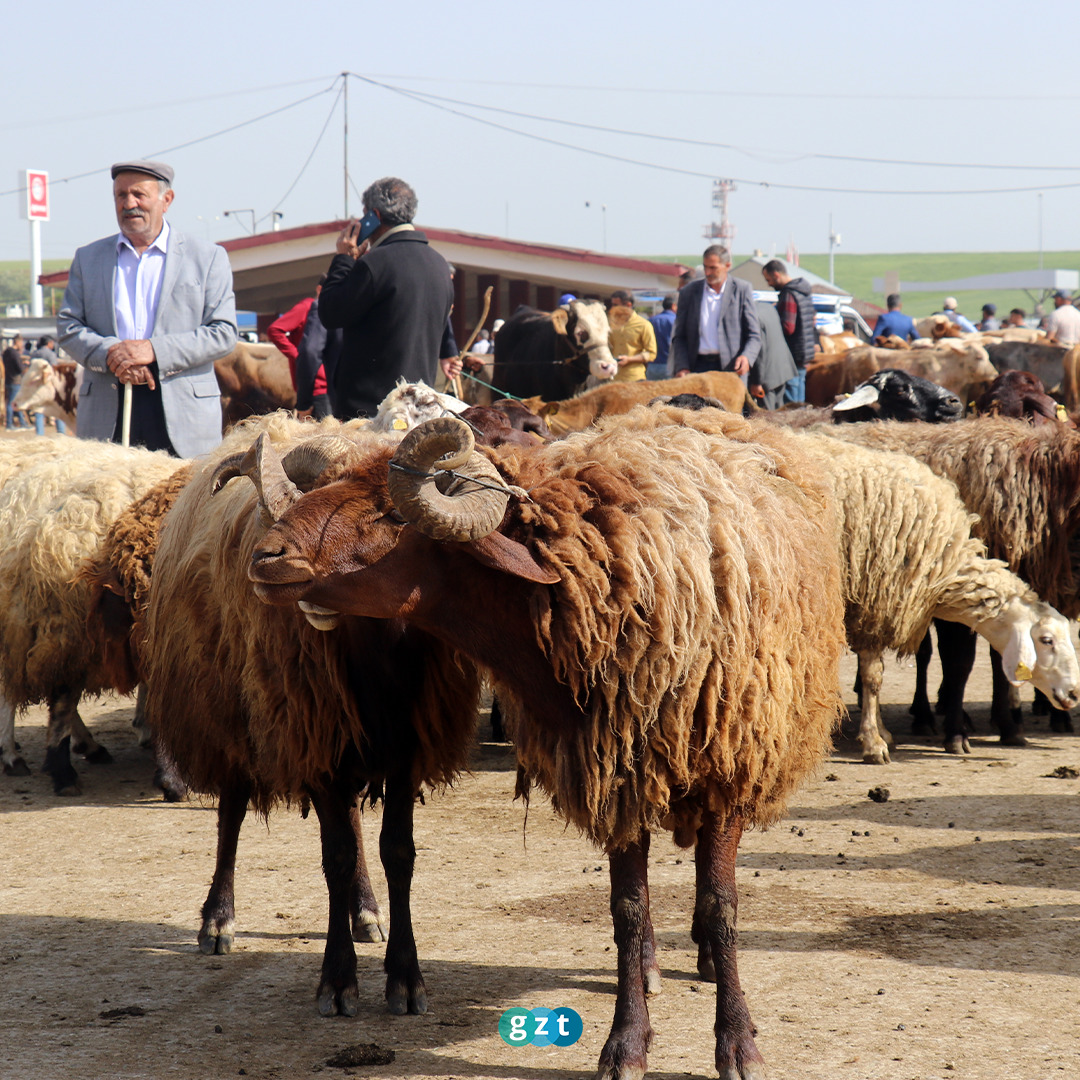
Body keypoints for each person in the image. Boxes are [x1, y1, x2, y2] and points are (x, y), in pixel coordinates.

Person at [58, 160, 237, 457]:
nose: (129, 203)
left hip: (184, 419)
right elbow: (68, 327)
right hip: (108, 412)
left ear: (166, 200)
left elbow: (223, 332)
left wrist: (153, 351)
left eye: (139, 194)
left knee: (180, 502)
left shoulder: (207, 257)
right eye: (121, 195)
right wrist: (113, 355)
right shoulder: (88, 258)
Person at [317, 176, 456, 419]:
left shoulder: (374, 264)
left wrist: (344, 259)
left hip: (371, 413)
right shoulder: (440, 265)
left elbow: (330, 312)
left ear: (375, 216)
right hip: (419, 409)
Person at [670, 245, 760, 385]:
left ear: (727, 266)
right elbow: (679, 336)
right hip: (697, 368)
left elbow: (754, 335)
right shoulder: (688, 292)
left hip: (731, 369)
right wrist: (682, 366)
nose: (707, 272)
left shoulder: (742, 290)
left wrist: (746, 357)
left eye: (713, 268)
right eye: (705, 267)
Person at [266, 277, 331, 418]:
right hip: (316, 389)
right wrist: (298, 356)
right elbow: (275, 329)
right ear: (320, 290)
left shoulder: (328, 310)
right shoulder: (306, 307)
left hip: (326, 388)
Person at [761, 258, 816, 403]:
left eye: (769, 280)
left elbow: (788, 327)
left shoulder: (788, 294)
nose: (769, 284)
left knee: (791, 400)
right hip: (804, 353)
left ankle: (793, 425)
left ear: (776, 275)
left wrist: (772, 321)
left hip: (792, 354)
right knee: (799, 398)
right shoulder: (803, 291)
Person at [751, 300, 797, 410]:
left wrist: (757, 382)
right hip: (782, 368)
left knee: (768, 418)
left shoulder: (753, 318)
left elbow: (759, 353)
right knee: (779, 413)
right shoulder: (767, 307)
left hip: (767, 377)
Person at [607, 290, 657, 383]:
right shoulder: (612, 324)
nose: (612, 308)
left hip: (635, 378)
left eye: (615, 305)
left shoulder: (644, 325)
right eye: (612, 305)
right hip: (614, 378)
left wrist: (629, 359)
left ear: (628, 305)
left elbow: (651, 353)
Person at [28, 335, 66, 434]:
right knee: (57, 409)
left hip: (37, 385)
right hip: (50, 385)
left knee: (39, 411)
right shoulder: (50, 354)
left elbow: (30, 370)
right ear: (49, 343)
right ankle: (61, 433)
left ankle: (40, 434)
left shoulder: (34, 354)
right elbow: (54, 369)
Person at [3, 334, 30, 429]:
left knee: (15, 402)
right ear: (17, 342)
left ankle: (22, 423)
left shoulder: (6, 352)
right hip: (15, 380)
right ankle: (10, 424)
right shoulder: (15, 353)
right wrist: (25, 365)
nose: (22, 345)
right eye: (21, 342)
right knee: (12, 403)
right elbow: (20, 368)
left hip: (8, 379)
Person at [648, 295, 676, 379]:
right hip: (670, 365)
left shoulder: (650, 321)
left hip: (652, 365)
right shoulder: (676, 320)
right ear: (673, 306)